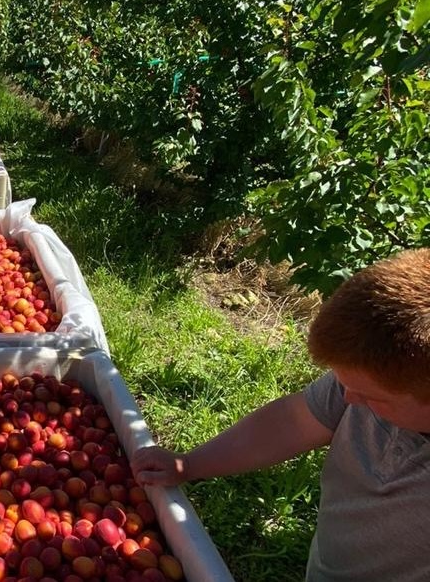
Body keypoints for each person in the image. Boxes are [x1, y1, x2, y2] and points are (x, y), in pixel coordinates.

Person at [133, 249, 430, 582]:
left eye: (370, 397)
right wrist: (189, 464)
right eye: (342, 383)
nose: (348, 398)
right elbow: (292, 422)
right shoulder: (373, 377)